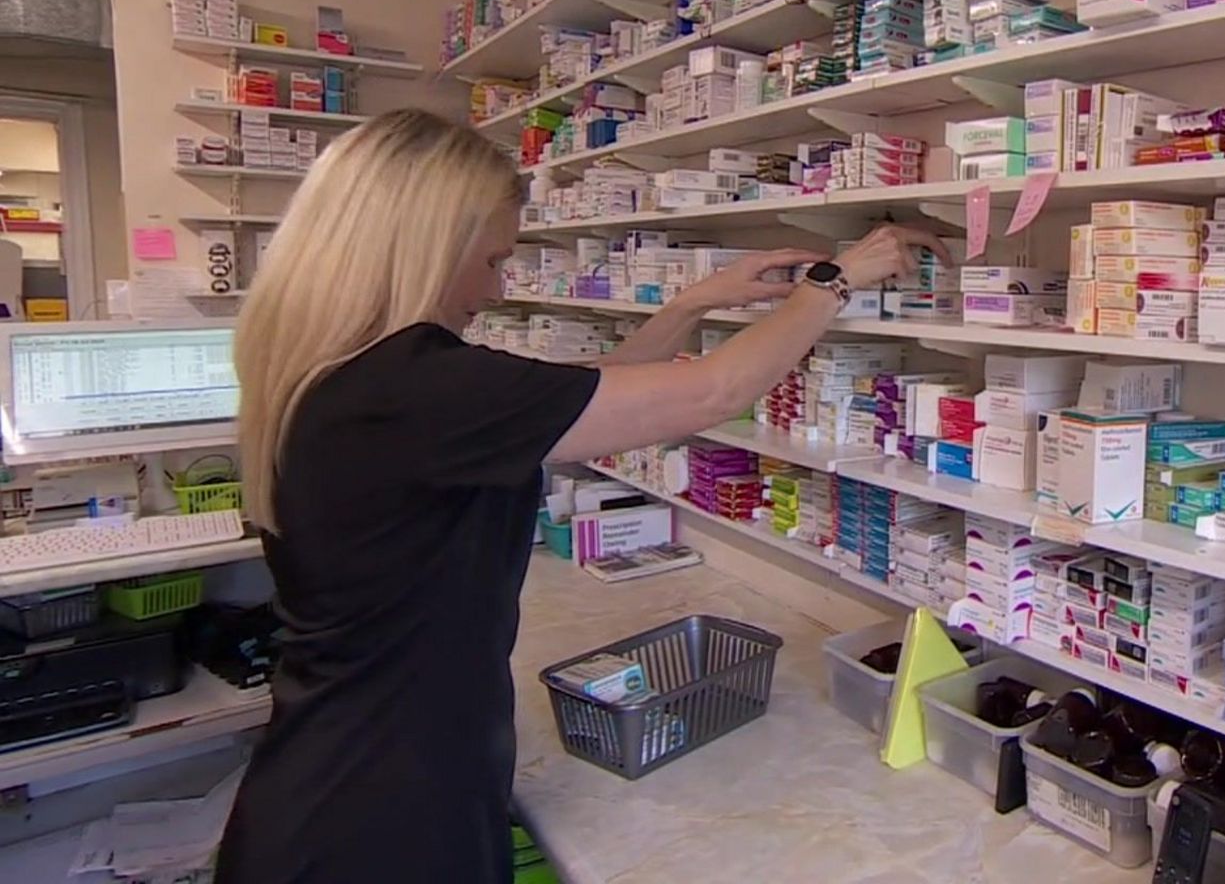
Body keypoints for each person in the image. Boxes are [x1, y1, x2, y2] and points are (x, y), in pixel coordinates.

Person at [219, 109, 942, 884]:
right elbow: (713, 393)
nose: (495, 290)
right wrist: (834, 283)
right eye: (492, 258)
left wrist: (688, 305)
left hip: (349, 772)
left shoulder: (350, 377)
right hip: (376, 819)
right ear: (425, 248)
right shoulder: (413, 386)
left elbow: (588, 408)